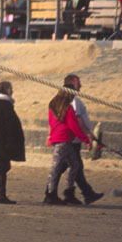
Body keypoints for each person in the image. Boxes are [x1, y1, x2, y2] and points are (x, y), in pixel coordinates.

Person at [43, 85, 92, 205]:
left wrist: (51, 135)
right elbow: (73, 126)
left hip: (60, 139)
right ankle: (51, 194)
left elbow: (51, 123)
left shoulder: (53, 106)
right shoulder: (67, 108)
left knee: (74, 165)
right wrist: (85, 139)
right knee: (56, 168)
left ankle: (68, 193)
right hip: (63, 140)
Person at [62, 73, 104, 204]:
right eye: (78, 82)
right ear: (72, 83)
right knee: (73, 167)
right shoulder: (73, 100)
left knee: (69, 167)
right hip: (73, 139)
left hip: (73, 139)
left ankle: (87, 193)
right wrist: (87, 135)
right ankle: (85, 193)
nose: (80, 85)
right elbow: (77, 119)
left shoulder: (71, 99)